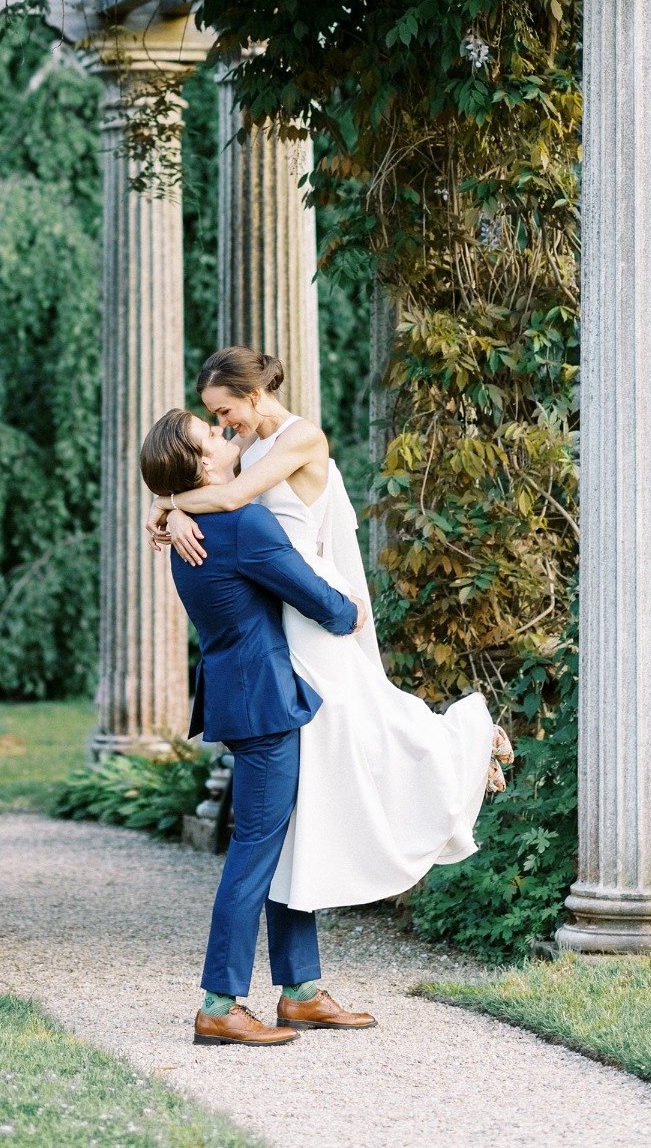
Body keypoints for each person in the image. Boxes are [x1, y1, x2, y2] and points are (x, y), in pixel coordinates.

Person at [147, 345, 511, 916]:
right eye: (215, 419)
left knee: (362, 713)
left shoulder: (301, 437)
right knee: (344, 731)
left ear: (253, 395)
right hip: (278, 600)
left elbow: (235, 497)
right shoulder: (246, 444)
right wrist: (176, 508)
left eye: (223, 412)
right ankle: (309, 948)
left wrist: (168, 504)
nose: (223, 426)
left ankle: (467, 742)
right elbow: (211, 479)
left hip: (307, 592)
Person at [139, 407, 378, 1047]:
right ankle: (220, 1002)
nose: (227, 434)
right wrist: (352, 610)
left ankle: (299, 992)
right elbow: (318, 602)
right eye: (213, 434)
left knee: (284, 843)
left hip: (244, 695)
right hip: (265, 703)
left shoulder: (199, 522)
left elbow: (225, 465)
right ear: (202, 466)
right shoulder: (242, 524)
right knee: (256, 851)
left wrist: (169, 505)